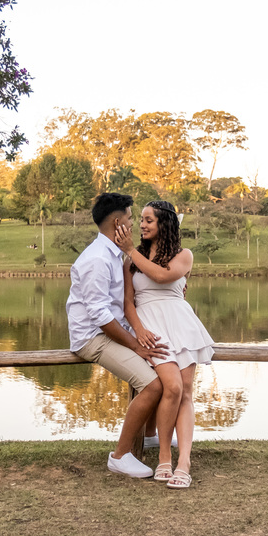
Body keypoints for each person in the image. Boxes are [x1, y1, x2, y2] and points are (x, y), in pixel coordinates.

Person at [67, 192, 169, 478]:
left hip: (112, 332)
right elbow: (99, 317)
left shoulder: (114, 254)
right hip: (92, 339)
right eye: (130, 217)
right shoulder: (98, 259)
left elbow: (126, 297)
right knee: (152, 385)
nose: (135, 223)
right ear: (117, 222)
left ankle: (149, 436)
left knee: (162, 366)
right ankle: (120, 455)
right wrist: (137, 346)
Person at [115, 200, 214, 490]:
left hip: (181, 324)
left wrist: (130, 249)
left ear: (164, 224)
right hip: (150, 327)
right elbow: (128, 301)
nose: (142, 225)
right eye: (142, 220)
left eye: (149, 220)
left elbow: (161, 275)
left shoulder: (184, 255)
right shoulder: (130, 261)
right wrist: (139, 330)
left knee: (185, 391)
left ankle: (184, 462)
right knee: (172, 386)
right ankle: (164, 455)